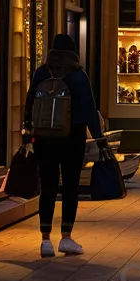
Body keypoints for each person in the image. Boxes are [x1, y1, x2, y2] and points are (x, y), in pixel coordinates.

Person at [24, 33, 106, 258]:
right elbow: (90, 109)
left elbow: (30, 102)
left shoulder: (42, 72)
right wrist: (100, 138)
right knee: (70, 187)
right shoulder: (79, 75)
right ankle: (66, 238)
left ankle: (45, 240)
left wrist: (27, 131)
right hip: (73, 138)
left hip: (44, 138)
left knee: (48, 186)